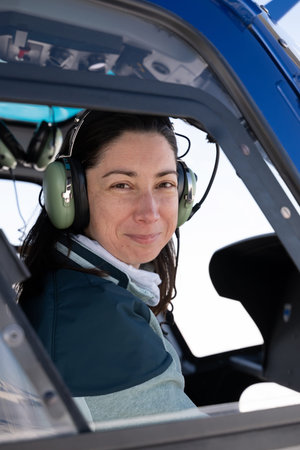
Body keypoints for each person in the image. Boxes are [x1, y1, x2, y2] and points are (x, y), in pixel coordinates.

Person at [17, 110, 201, 425]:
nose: (150, 212)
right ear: (71, 197)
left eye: (165, 184)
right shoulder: (95, 317)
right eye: (122, 185)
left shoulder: (71, 291)